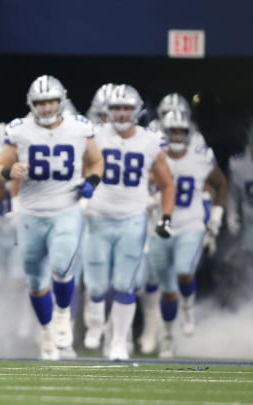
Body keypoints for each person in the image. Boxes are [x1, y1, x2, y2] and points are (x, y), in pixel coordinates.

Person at [0, 75, 104, 360]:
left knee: (63, 265)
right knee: (36, 281)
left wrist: (91, 182)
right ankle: (48, 334)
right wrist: (7, 172)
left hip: (66, 208)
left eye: (52, 101)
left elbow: (96, 160)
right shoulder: (20, 130)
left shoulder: (79, 128)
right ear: (32, 104)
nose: (48, 107)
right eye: (41, 102)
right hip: (31, 213)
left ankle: (63, 314)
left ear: (61, 101)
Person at [81, 84, 176, 361]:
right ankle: (97, 324)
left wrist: (166, 217)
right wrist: (81, 198)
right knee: (96, 286)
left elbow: (167, 184)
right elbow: (79, 169)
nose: (122, 114)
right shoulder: (94, 135)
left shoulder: (149, 140)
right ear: (107, 111)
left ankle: (119, 342)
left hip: (133, 219)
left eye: (126, 108)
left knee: (126, 284)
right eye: (116, 109)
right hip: (98, 216)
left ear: (137, 111)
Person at [145, 110, 227, 358]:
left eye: (182, 131)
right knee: (167, 290)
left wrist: (215, 216)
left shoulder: (200, 158)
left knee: (184, 270)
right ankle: (168, 336)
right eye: (174, 131)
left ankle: (188, 307)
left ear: (189, 134)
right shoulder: (154, 156)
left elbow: (220, 183)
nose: (178, 136)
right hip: (160, 229)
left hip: (190, 224)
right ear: (165, 133)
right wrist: (149, 199)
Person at [226, 116, 253, 262]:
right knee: (250, 262)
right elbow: (233, 194)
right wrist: (231, 216)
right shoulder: (239, 165)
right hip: (251, 223)